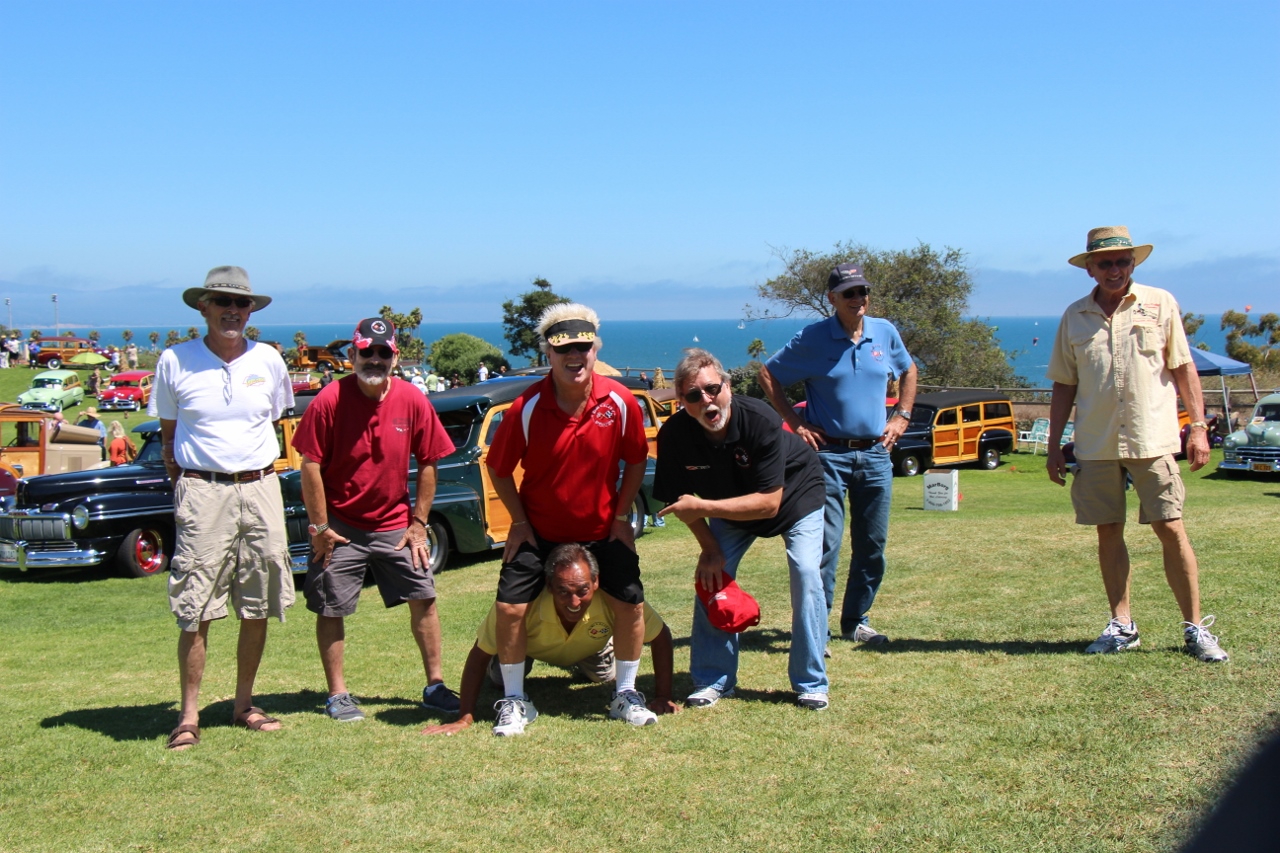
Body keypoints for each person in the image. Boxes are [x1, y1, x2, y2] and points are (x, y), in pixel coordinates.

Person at [1046, 226, 1227, 662]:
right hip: (1096, 443)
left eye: (1122, 261)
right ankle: (1122, 625)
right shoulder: (1074, 316)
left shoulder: (1160, 303)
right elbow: (1063, 386)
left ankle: (1195, 629)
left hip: (1153, 438)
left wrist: (1198, 428)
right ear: (1089, 268)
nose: (1114, 269)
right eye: (1105, 263)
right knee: (1108, 531)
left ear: (1134, 264)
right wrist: (1054, 446)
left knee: (1170, 527)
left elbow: (1183, 369)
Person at [484, 303, 653, 735]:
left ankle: (626, 693)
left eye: (583, 346)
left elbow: (635, 460)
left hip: (601, 531)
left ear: (595, 348)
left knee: (630, 605)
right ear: (548, 354)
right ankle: (516, 700)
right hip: (539, 534)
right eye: (564, 349)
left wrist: (621, 517)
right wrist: (519, 524)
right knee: (509, 607)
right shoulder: (525, 406)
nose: (574, 357)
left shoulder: (620, 402)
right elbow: (499, 468)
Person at [149, 265, 295, 751]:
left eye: (242, 304)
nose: (233, 311)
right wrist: (190, 488)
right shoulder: (175, 360)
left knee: (258, 602)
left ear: (251, 310)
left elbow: (274, 421)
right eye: (223, 302)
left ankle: (244, 704)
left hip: (260, 488)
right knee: (196, 607)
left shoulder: (270, 360)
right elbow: (169, 440)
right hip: (202, 491)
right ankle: (188, 716)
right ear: (203, 307)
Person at [291, 318, 461, 722]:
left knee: (425, 598)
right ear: (352, 355)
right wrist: (318, 528)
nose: (375, 359)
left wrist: (419, 522)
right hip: (341, 528)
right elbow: (310, 465)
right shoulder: (329, 399)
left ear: (395, 358)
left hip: (395, 527)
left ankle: (435, 685)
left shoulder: (412, 398)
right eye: (367, 351)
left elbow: (431, 460)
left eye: (384, 352)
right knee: (331, 608)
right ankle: (337, 694)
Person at [655, 349, 830, 709]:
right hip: (731, 508)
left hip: (796, 496)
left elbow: (768, 503)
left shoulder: (760, 419)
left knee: (806, 571)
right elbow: (680, 504)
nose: (706, 400)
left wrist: (703, 507)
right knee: (710, 577)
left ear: (728, 386)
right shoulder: (674, 436)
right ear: (682, 402)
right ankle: (711, 679)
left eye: (712, 388)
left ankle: (810, 682)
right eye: (693, 395)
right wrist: (710, 549)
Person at [759, 263, 917, 644]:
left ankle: (856, 622)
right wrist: (795, 424)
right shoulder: (814, 338)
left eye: (862, 291)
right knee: (824, 546)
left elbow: (909, 371)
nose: (858, 299)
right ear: (831, 299)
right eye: (849, 293)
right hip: (827, 455)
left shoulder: (884, 332)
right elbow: (768, 375)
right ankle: (818, 629)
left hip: (877, 455)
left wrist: (902, 417)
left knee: (873, 545)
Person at [423, 543, 678, 736]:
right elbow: (479, 655)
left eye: (582, 591)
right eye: (563, 592)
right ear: (548, 585)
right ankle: (514, 686)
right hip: (529, 649)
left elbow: (660, 636)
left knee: (604, 676)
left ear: (596, 582)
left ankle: (605, 653)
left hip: (591, 648)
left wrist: (663, 695)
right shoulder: (520, 607)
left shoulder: (618, 603)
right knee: (501, 679)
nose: (574, 602)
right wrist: (464, 717)